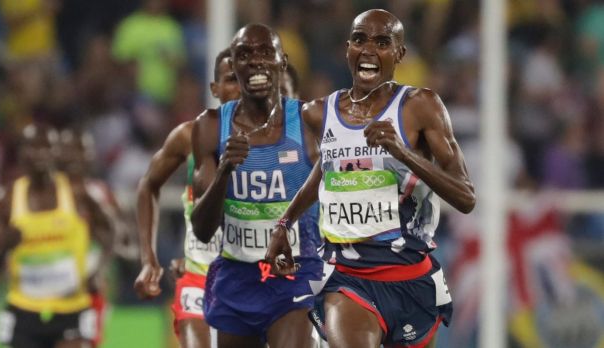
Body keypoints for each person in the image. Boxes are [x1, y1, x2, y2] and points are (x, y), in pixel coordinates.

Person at [266, 9, 476, 348]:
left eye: (382, 42)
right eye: (360, 39)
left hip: (412, 279)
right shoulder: (322, 112)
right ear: (348, 48)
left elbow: (465, 197)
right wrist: (284, 223)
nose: (368, 50)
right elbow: (327, 169)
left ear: (399, 54)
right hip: (348, 279)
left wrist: (401, 152)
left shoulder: (420, 107)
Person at [190, 24, 323, 348]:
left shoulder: (309, 121)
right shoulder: (209, 128)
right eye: (245, 55)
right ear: (234, 66)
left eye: (266, 52)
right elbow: (203, 230)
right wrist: (224, 172)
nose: (256, 61)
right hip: (238, 278)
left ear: (282, 61)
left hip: (295, 273)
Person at [133, 48, 240, 348]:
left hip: (254, 281)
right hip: (198, 277)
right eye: (231, 79)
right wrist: (148, 259)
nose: (239, 87)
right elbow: (148, 185)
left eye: (244, 78)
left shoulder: (278, 141)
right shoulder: (188, 136)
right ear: (215, 89)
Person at [0, 124, 112, 348]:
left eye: (47, 147)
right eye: (33, 148)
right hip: (24, 308)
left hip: (72, 307)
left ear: (57, 152)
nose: (40, 155)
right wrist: (5, 245)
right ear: (21, 154)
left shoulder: (79, 193)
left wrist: (98, 269)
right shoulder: (5, 199)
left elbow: (114, 233)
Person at [56, 127, 126, 347]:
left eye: (82, 150)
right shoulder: (47, 193)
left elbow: (125, 239)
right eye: (69, 150)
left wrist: (100, 267)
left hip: (89, 287)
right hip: (50, 285)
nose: (75, 156)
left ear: (90, 155)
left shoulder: (100, 193)